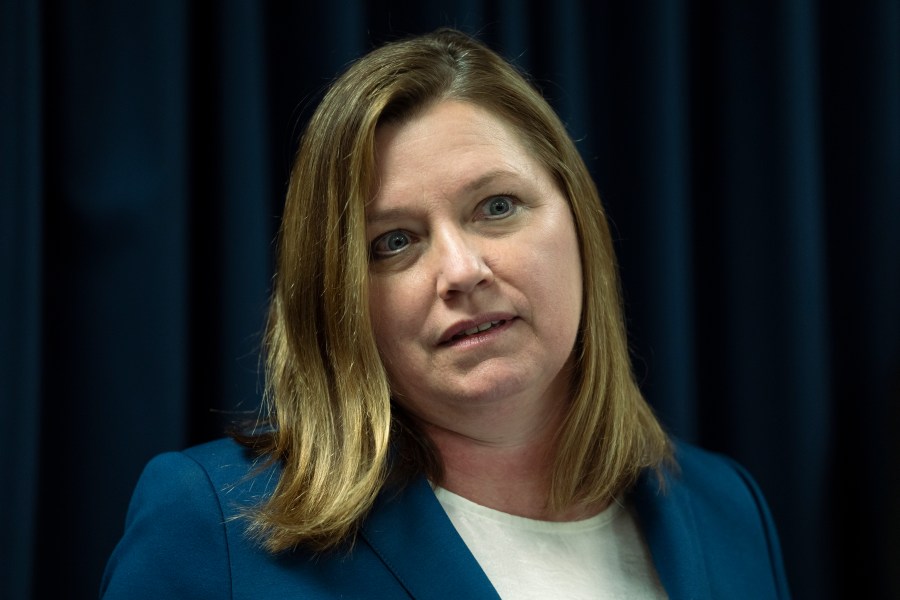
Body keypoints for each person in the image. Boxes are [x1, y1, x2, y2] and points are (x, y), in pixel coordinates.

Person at [100, 28, 791, 599]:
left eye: (497, 207)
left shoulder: (725, 508)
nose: (462, 271)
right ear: (339, 297)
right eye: (393, 242)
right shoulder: (212, 522)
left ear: (580, 221)